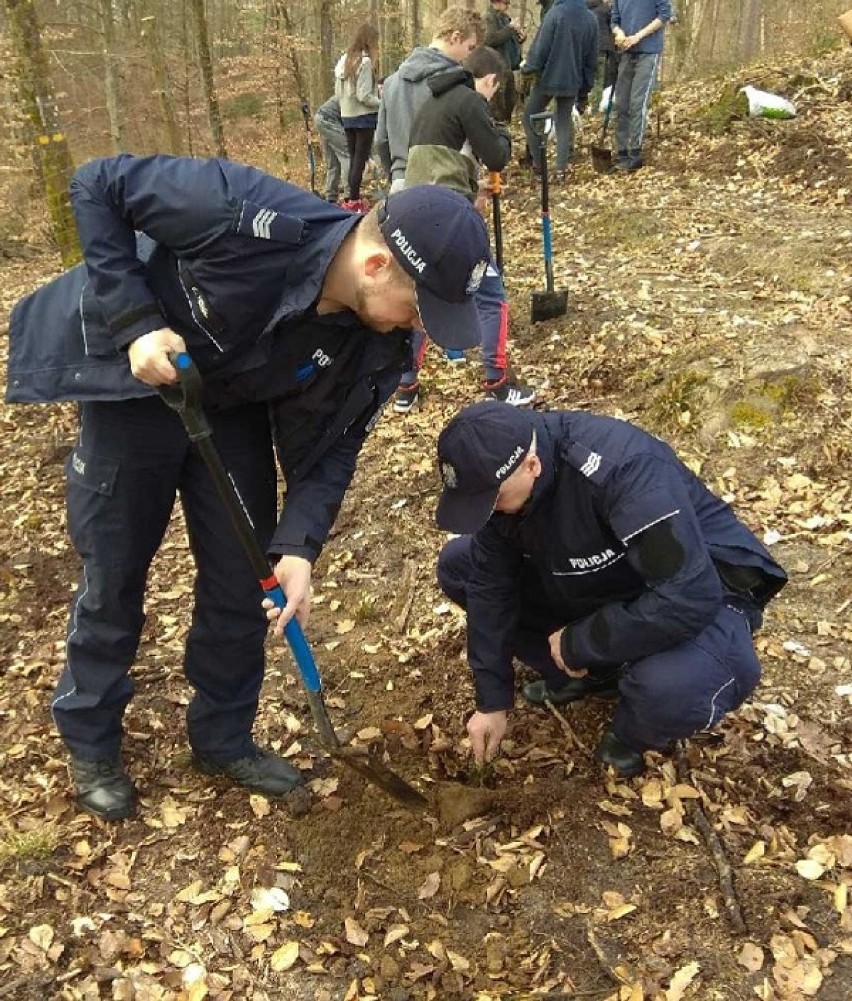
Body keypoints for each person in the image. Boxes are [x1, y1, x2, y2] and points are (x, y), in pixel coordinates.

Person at [6, 154, 491, 821]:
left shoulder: (377, 344)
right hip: (135, 391)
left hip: (228, 408)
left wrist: (299, 546)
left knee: (245, 577)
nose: (418, 324)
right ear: (376, 266)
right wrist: (135, 322)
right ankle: (92, 740)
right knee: (113, 575)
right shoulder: (243, 211)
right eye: (418, 306)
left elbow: (335, 446)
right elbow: (98, 183)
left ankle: (222, 735)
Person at [434, 401, 787, 778]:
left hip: (704, 585)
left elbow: (689, 595)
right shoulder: (500, 478)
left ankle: (633, 733)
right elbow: (490, 587)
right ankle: (594, 675)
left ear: (531, 466)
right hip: (603, 572)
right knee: (460, 566)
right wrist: (492, 700)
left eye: (492, 501)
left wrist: (581, 641)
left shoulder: (625, 469)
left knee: (671, 685)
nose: (487, 513)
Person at [396, 46, 535, 413]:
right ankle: (498, 381)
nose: (491, 96)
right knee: (491, 294)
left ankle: (405, 386)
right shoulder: (470, 100)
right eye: (494, 89)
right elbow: (498, 156)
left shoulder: (431, 102)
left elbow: (437, 166)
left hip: (416, 214)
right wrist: (500, 132)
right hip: (450, 219)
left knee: (426, 296)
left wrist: (475, 192)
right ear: (489, 80)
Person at [376, 5, 483, 194]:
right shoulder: (456, 82)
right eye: (470, 47)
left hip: (401, 184)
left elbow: (382, 141)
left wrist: (396, 175)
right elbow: (468, 143)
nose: (469, 55)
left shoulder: (391, 83)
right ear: (455, 37)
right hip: (443, 185)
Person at [520, 0, 598, 182]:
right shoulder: (590, 18)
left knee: (529, 116)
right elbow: (591, 58)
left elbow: (541, 48)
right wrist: (585, 87)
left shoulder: (555, 14)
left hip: (548, 77)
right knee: (562, 121)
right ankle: (560, 170)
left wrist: (528, 68)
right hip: (572, 80)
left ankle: (539, 166)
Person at [610, 0, 672, 171]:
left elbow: (664, 14)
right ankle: (622, 151)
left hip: (648, 51)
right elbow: (614, 20)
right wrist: (619, 34)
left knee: (638, 102)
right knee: (621, 103)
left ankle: (635, 152)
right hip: (626, 52)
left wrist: (639, 35)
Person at [334, 23, 381, 210]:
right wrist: (382, 102)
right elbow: (364, 95)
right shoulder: (365, 61)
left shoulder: (344, 60)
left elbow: (338, 94)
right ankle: (354, 200)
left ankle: (350, 198)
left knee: (353, 158)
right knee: (359, 160)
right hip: (364, 117)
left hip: (347, 116)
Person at [483, 0, 525, 123]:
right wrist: (509, 28)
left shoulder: (505, 17)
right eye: (505, 3)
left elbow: (510, 38)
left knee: (511, 99)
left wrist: (520, 36)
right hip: (496, 66)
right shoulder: (488, 18)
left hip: (509, 66)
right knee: (499, 105)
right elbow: (491, 40)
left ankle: (506, 125)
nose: (507, 6)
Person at [314, 96, 351, 203]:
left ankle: (331, 197)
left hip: (321, 118)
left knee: (333, 163)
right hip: (329, 120)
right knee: (348, 155)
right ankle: (350, 196)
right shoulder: (361, 96)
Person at [586, 0, 619, 108]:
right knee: (600, 78)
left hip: (588, 49)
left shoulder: (584, 9)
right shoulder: (605, 9)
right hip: (603, 47)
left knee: (590, 77)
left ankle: (585, 105)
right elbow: (614, 25)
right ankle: (596, 106)